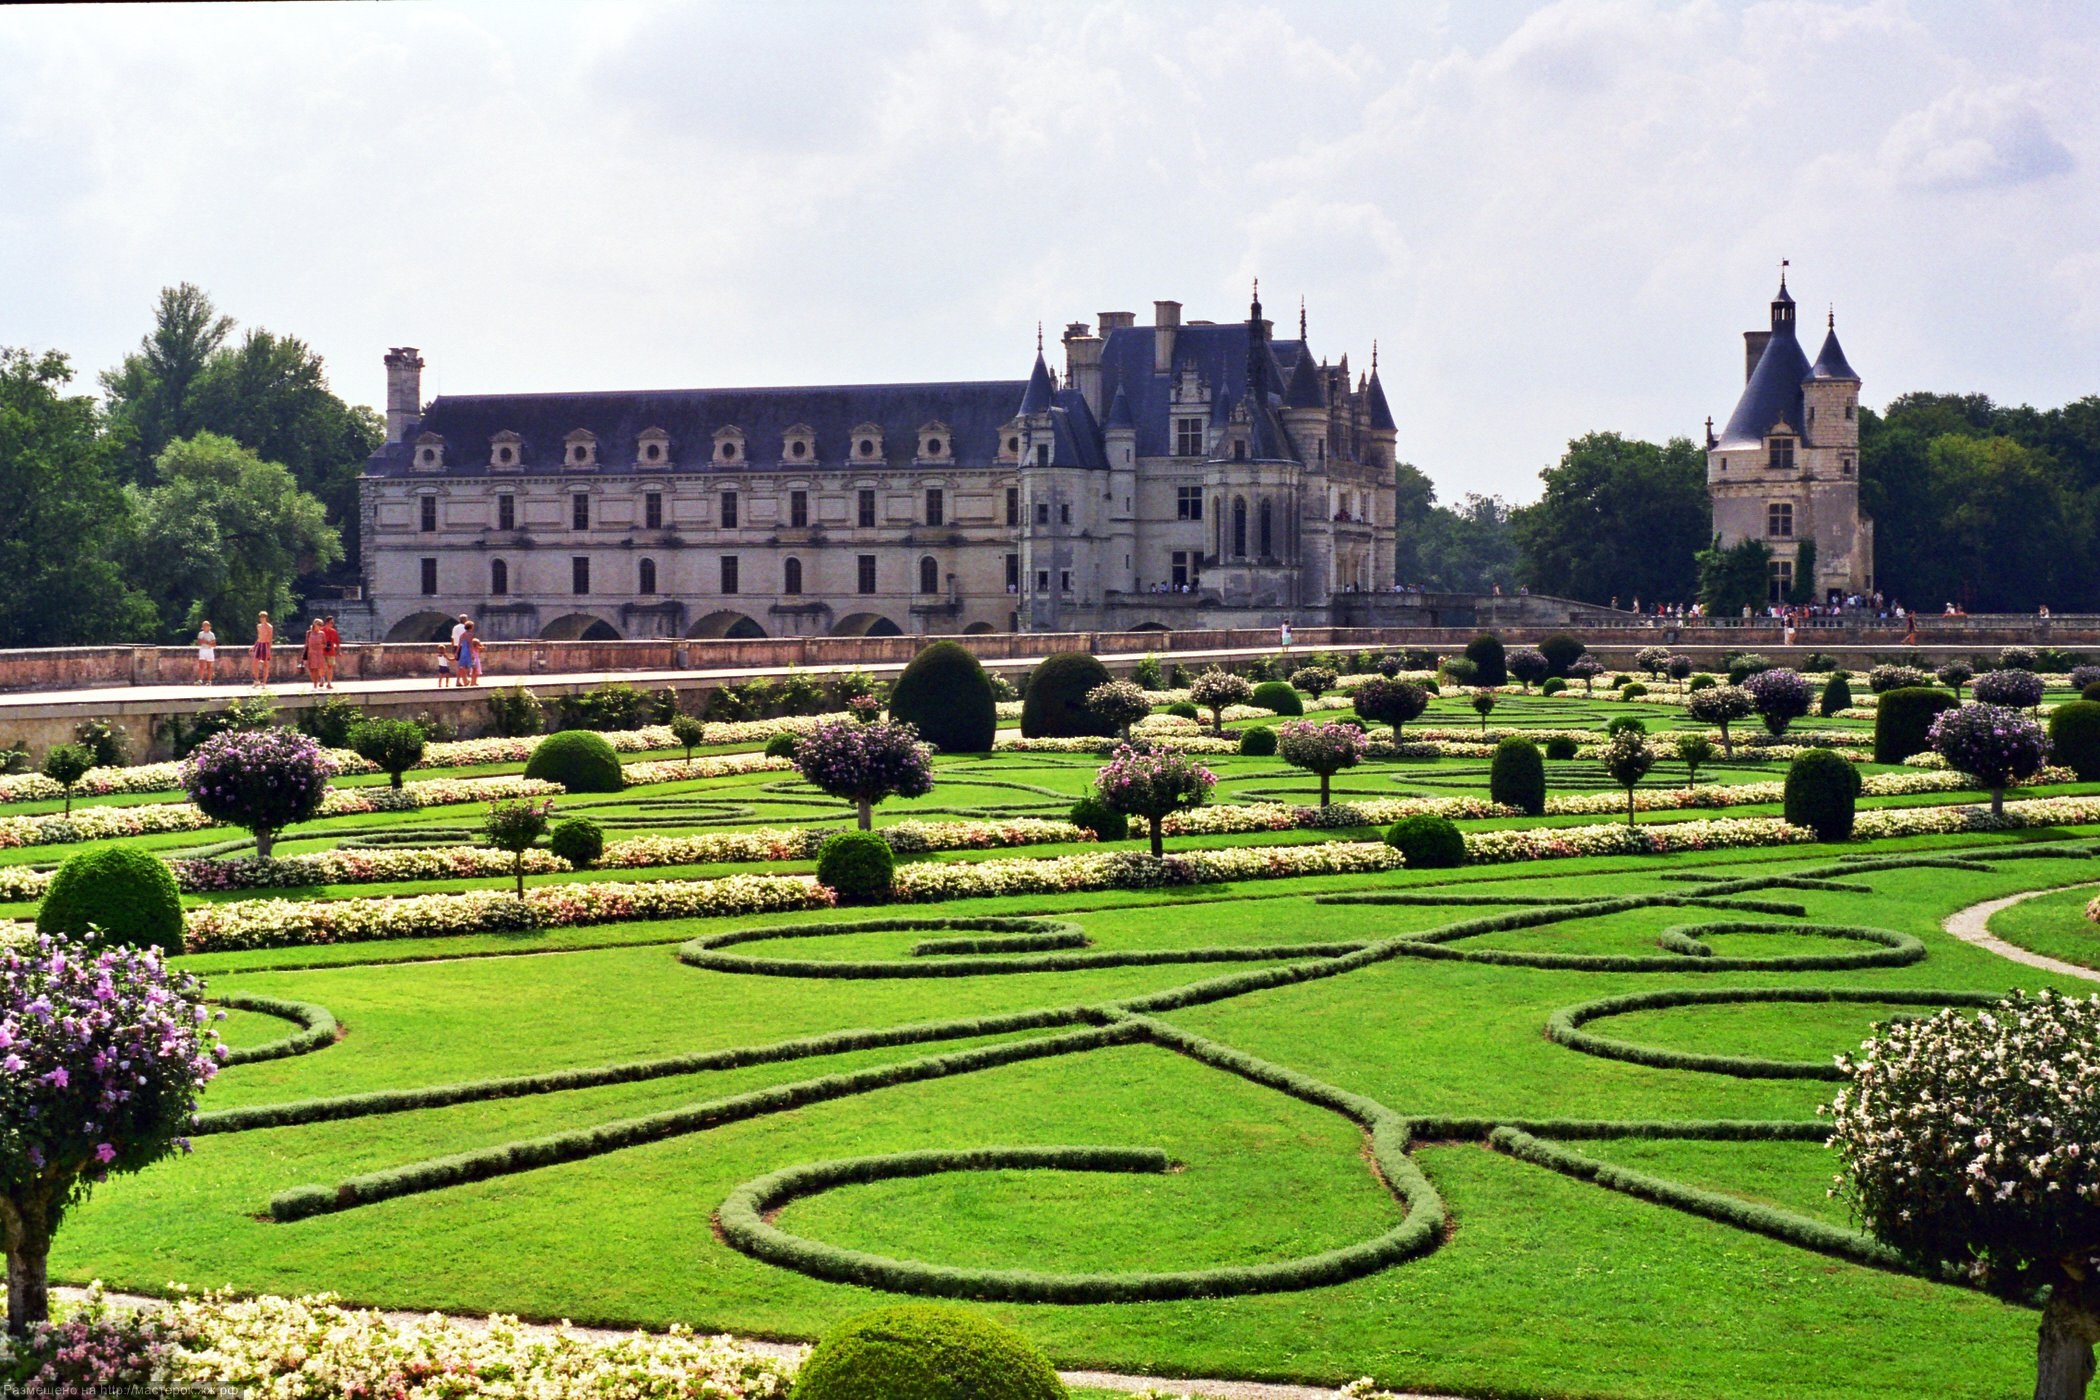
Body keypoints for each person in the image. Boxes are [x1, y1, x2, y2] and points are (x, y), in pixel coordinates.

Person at [302, 619, 328, 692]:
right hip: (311, 653)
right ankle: (314, 684)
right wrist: (304, 656)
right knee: (312, 670)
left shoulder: (322, 633)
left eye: (321, 625)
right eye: (318, 625)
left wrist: (321, 646)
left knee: (318, 668)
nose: (320, 627)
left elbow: (325, 644)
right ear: (314, 624)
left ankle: (318, 681)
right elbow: (306, 644)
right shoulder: (309, 633)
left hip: (319, 653)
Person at [251, 611, 273, 686]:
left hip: (266, 645)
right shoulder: (259, 626)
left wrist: (269, 649)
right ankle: (256, 680)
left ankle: (264, 682)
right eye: (260, 617)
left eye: (263, 617)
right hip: (259, 644)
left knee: (266, 664)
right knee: (254, 664)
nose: (261, 618)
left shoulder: (269, 627)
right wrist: (254, 646)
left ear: (266, 618)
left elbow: (270, 638)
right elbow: (259, 637)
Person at [320, 614, 341, 688]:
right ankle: (322, 678)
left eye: (333, 623)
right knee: (322, 666)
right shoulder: (321, 631)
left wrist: (339, 651)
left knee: (330, 667)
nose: (332, 624)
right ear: (327, 622)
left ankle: (329, 682)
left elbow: (337, 642)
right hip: (322, 651)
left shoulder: (333, 631)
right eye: (331, 622)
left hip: (331, 651)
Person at [194, 620, 217, 685]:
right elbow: (199, 642)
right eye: (204, 626)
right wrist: (208, 642)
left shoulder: (212, 634)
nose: (205, 627)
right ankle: (200, 680)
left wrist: (206, 642)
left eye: (206, 626)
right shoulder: (200, 633)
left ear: (209, 626)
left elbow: (214, 644)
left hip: (210, 650)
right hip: (203, 650)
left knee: (210, 666)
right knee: (201, 665)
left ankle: (209, 681)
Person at [458, 620, 480, 687]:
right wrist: (472, 654)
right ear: (471, 627)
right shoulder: (470, 634)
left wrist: (456, 653)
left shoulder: (462, 635)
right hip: (468, 652)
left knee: (462, 667)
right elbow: (470, 645)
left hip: (462, 652)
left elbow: (459, 644)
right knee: (474, 667)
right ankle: (472, 682)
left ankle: (465, 681)